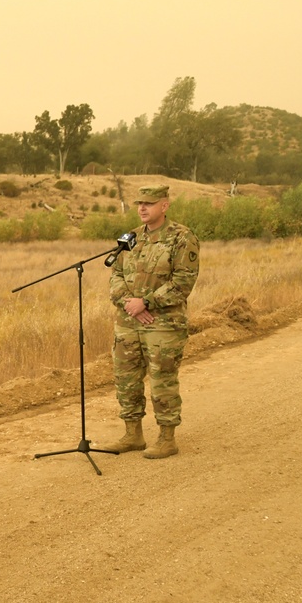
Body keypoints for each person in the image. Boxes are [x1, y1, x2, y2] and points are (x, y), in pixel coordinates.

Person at [103, 185, 200, 459]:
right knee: (126, 379)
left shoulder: (182, 238)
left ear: (164, 206)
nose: (142, 208)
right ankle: (133, 434)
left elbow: (183, 282)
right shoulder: (130, 238)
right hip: (128, 321)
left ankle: (167, 439)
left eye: (149, 203)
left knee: (162, 380)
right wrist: (129, 304)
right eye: (139, 203)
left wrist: (145, 303)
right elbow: (115, 275)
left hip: (163, 323)